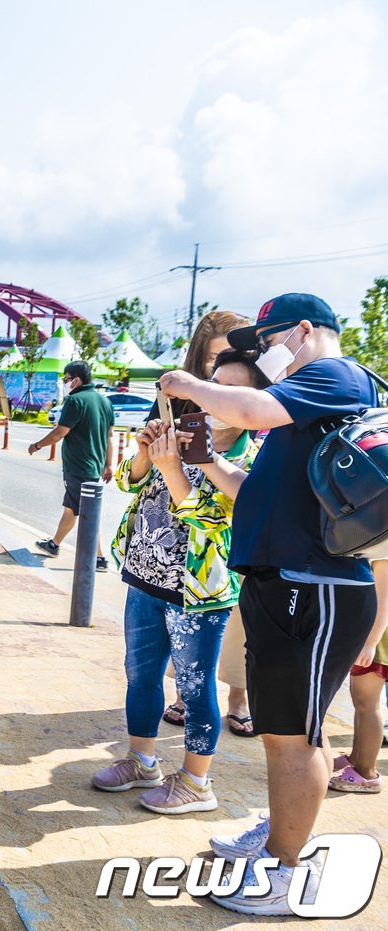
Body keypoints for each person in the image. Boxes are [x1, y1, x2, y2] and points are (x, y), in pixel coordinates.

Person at [160, 293, 380, 916]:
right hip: (284, 583)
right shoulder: (307, 408)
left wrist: (189, 383)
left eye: (265, 342)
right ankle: (281, 836)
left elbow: (253, 408)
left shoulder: (332, 374)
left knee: (295, 738)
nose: (259, 357)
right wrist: (199, 461)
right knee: (282, 732)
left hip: (312, 586)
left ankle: (286, 872)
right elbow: (245, 488)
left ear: (305, 331)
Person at [92, 350, 264, 816]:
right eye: (211, 383)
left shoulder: (254, 457)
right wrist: (147, 456)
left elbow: (214, 519)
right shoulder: (181, 431)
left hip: (197, 595)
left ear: (255, 401)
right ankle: (141, 760)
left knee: (194, 686)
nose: (210, 397)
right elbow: (130, 485)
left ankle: (195, 782)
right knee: (140, 675)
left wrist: (173, 467)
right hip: (144, 575)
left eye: (229, 390)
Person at [154, 311, 255, 737]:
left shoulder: (260, 421)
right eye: (214, 359)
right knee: (187, 623)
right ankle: (187, 696)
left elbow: (240, 498)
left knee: (240, 622)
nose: (220, 372)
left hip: (238, 546)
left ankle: (239, 697)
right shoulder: (180, 398)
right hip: (183, 542)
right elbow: (143, 478)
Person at [30, 361, 115, 570]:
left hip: (79, 467)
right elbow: (109, 436)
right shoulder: (105, 402)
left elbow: (60, 432)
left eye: (66, 379)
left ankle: (99, 558)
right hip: (93, 466)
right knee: (71, 508)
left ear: (76, 380)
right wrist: (108, 464)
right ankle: (54, 544)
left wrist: (37, 445)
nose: (65, 383)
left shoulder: (75, 401)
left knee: (87, 512)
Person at [331, 561, 388, 793]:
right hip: (368, 633)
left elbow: (384, 598)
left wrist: (370, 642)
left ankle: (367, 772)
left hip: (377, 638)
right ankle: (357, 757)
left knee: (368, 703)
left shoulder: (383, 549)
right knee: (360, 701)